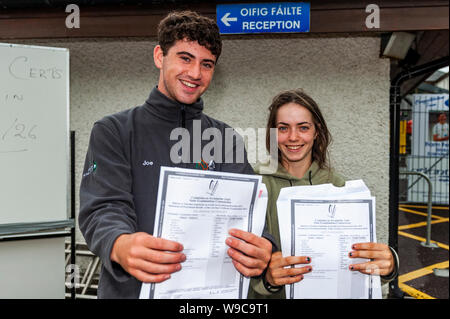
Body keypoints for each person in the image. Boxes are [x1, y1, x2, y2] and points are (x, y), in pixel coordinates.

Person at [79, 11, 272, 299]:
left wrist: (263, 246)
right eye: (185, 58)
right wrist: (120, 243)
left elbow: (250, 217)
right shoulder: (114, 130)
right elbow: (103, 209)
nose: (195, 73)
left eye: (206, 64)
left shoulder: (226, 139)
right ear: (159, 56)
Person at [248, 89, 399, 298]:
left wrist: (387, 265)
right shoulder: (255, 184)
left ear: (316, 131)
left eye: (303, 127)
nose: (293, 137)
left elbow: (358, 258)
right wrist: (267, 280)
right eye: (283, 128)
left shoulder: (340, 186)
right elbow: (237, 261)